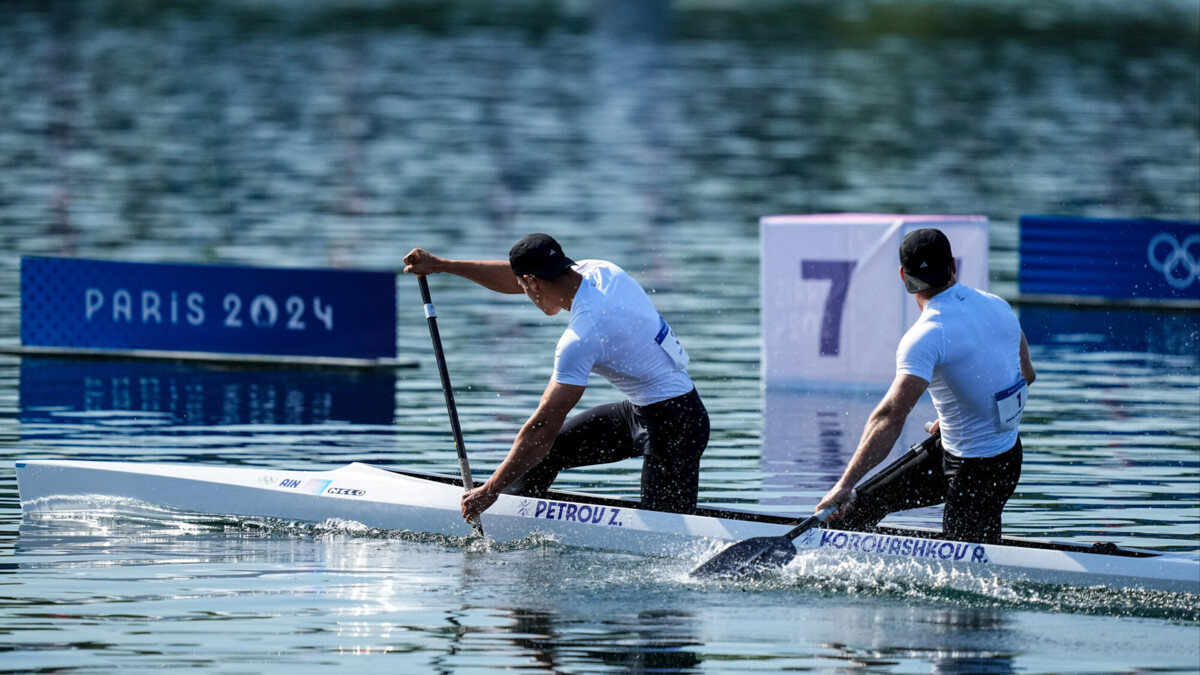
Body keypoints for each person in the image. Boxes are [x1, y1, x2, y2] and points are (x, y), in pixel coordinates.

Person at [402, 233, 710, 522]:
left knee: (664, 543)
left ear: (532, 282)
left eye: (524, 286)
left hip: (677, 428)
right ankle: (512, 520)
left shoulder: (582, 335)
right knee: (548, 453)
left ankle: (495, 506)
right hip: (647, 412)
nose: (524, 293)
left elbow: (540, 429)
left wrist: (489, 488)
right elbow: (514, 278)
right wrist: (442, 266)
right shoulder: (601, 270)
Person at [815, 228, 1036, 544]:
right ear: (953, 266)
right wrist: (964, 420)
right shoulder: (998, 306)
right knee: (860, 506)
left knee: (963, 578)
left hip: (980, 475)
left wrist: (842, 485)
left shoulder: (924, 336)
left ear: (904, 277)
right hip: (995, 456)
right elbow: (1026, 376)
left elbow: (889, 419)